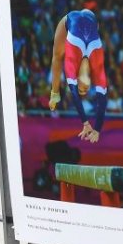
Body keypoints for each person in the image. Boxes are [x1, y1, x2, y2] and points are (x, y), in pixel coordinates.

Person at [49, 9, 109, 144]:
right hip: (91, 18)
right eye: (84, 91)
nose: (84, 91)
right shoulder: (98, 64)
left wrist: (88, 124)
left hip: (70, 20)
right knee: (57, 56)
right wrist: (95, 128)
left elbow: (74, 93)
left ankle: (55, 93)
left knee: (58, 56)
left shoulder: (71, 65)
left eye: (81, 90)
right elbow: (102, 100)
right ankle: (55, 92)